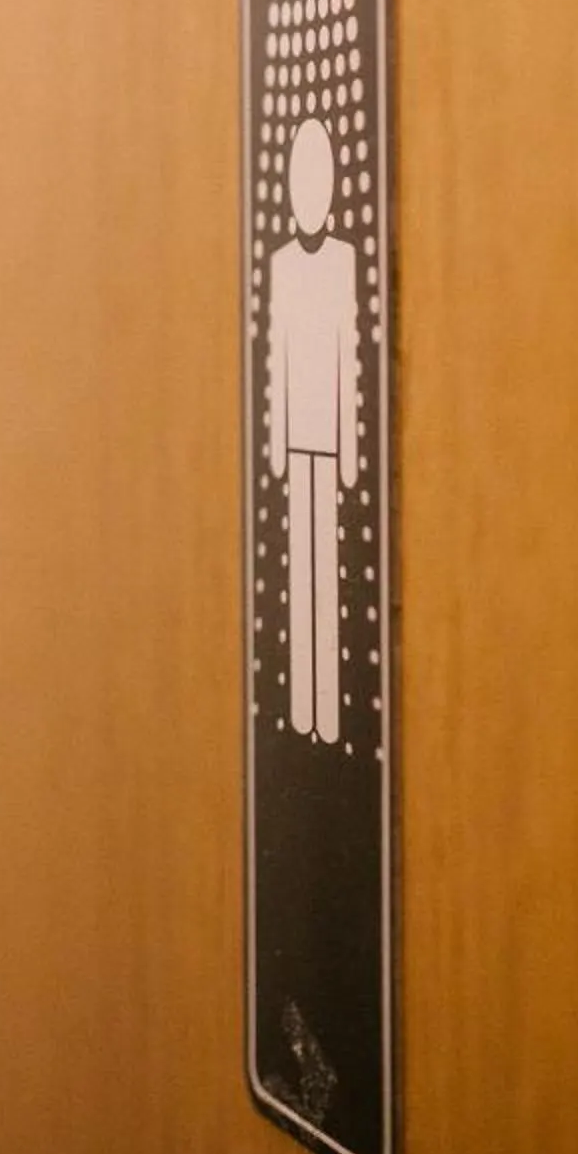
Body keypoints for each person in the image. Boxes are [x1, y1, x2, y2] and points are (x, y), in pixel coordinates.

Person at [267, 118, 360, 744]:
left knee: (325, 570)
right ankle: (302, 704)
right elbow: (276, 348)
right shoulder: (280, 264)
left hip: (328, 438)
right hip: (295, 434)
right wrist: (274, 443)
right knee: (299, 575)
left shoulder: (343, 261)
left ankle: (326, 713)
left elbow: (347, 349)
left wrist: (352, 449)